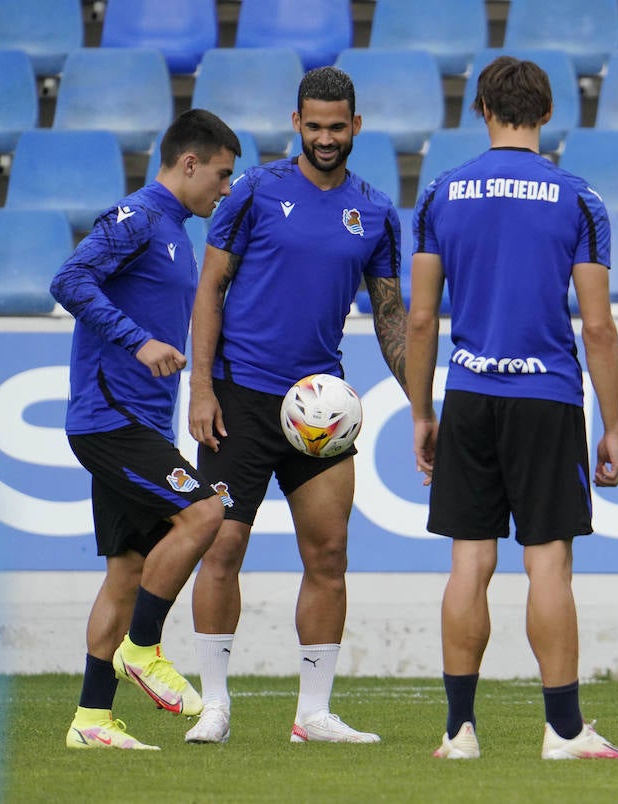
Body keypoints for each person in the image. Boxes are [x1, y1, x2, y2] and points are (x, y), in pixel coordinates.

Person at [406, 56, 618, 761]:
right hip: (544, 397)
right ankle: (563, 731)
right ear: (546, 112)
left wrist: (421, 412)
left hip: (471, 393)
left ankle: (458, 732)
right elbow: (597, 326)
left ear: (482, 110)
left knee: (468, 563)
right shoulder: (578, 199)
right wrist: (615, 423)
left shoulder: (442, 192)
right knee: (548, 567)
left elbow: (420, 320)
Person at [186, 67, 407, 745]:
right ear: (296, 123)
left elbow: (391, 312)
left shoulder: (375, 210)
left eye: (337, 127)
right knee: (222, 548)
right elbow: (210, 288)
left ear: (356, 126)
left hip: (321, 407)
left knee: (330, 553)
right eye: (314, 126)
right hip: (240, 398)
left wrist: (417, 400)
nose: (326, 138)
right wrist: (200, 388)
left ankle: (312, 714)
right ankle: (214, 705)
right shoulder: (252, 191)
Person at [51, 109, 241, 750]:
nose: (224, 189)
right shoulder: (136, 218)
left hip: (139, 423)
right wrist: (138, 342)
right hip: (110, 421)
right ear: (189, 163)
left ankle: (92, 720)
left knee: (126, 571)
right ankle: (142, 647)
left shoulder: (178, 231)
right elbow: (68, 278)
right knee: (205, 514)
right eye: (220, 175)